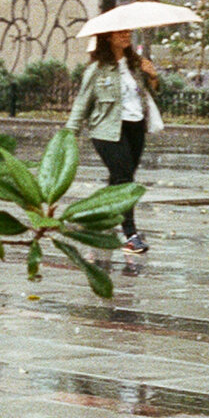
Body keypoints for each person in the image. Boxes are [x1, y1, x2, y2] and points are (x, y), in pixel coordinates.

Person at [66, 28, 161, 253]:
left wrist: (153, 76)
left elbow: (152, 93)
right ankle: (131, 235)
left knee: (120, 179)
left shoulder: (135, 66)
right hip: (107, 131)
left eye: (128, 33)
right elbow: (81, 104)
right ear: (107, 38)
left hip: (135, 127)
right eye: (120, 33)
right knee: (124, 182)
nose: (126, 36)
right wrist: (68, 137)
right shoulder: (96, 70)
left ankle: (97, 221)